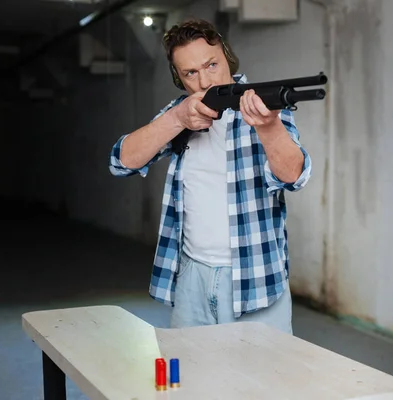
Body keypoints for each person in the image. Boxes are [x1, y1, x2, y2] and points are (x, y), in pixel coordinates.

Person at [108, 18, 312, 335]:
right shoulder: (180, 112)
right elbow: (121, 161)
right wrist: (177, 118)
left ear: (226, 57)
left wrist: (268, 127)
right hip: (191, 276)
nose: (205, 80)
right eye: (191, 73)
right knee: (191, 380)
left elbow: (294, 177)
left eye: (212, 64)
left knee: (263, 383)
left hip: (254, 277)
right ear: (179, 78)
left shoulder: (265, 107)